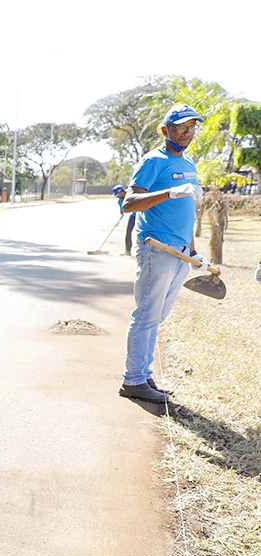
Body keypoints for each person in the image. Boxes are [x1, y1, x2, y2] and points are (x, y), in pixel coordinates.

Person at [118, 103, 210, 404]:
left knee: (157, 315)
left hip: (180, 251)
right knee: (146, 314)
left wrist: (194, 251)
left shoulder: (190, 164)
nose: (186, 133)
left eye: (191, 127)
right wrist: (170, 191)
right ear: (165, 130)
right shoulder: (153, 160)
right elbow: (129, 202)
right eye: (180, 127)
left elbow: (185, 212)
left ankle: (142, 374)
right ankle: (132, 380)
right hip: (156, 249)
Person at [112, 185, 135, 256]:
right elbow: (122, 211)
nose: (116, 196)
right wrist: (121, 214)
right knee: (128, 231)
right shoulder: (120, 201)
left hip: (141, 214)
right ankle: (127, 251)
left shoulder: (131, 193)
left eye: (117, 194)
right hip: (133, 215)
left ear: (121, 192)